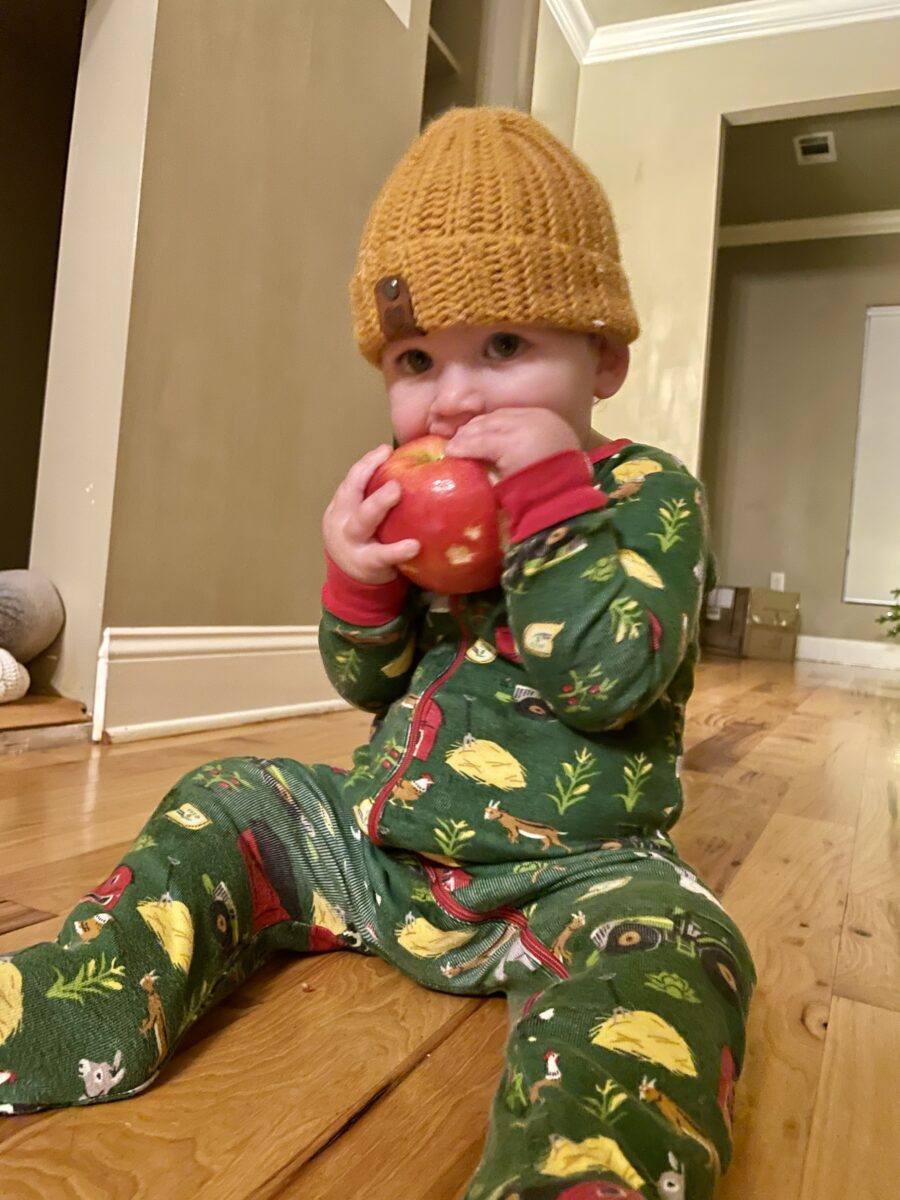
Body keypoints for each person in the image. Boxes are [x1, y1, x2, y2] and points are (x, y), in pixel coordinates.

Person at [0, 106, 755, 1200]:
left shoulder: (644, 493)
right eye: (415, 359)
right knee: (231, 790)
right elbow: (370, 681)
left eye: (503, 345)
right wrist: (358, 577)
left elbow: (611, 681)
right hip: (380, 851)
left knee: (682, 944)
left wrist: (551, 504)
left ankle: (581, 1171)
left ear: (605, 357)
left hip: (575, 876)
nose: (454, 399)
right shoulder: (429, 495)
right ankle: (73, 1001)